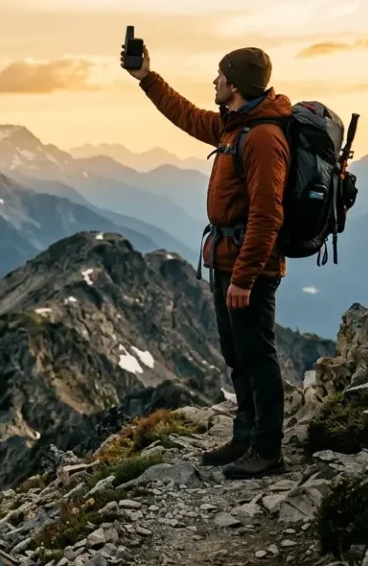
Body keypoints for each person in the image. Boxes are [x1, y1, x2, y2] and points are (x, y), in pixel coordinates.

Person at [121, 42, 291, 479]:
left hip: (247, 267)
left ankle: (267, 449)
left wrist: (246, 278)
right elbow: (187, 115)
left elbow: (268, 214)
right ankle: (245, 435)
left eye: (219, 75)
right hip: (225, 259)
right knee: (237, 353)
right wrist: (147, 78)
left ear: (234, 84)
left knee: (257, 354)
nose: (213, 81)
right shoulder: (235, 126)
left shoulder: (264, 138)